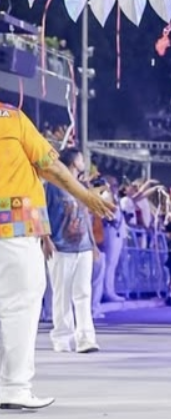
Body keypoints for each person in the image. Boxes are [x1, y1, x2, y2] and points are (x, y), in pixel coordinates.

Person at [0, 103, 115, 410]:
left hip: (20, 231)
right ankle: (13, 387)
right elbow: (49, 165)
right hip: (13, 229)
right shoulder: (10, 118)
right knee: (18, 306)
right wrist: (86, 195)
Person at [43, 148, 101, 354]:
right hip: (60, 247)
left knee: (83, 293)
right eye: (81, 158)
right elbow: (42, 212)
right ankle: (61, 337)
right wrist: (45, 239)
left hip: (82, 247)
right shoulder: (52, 186)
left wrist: (93, 244)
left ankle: (86, 339)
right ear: (73, 162)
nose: (84, 162)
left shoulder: (82, 187)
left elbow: (85, 216)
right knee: (62, 295)